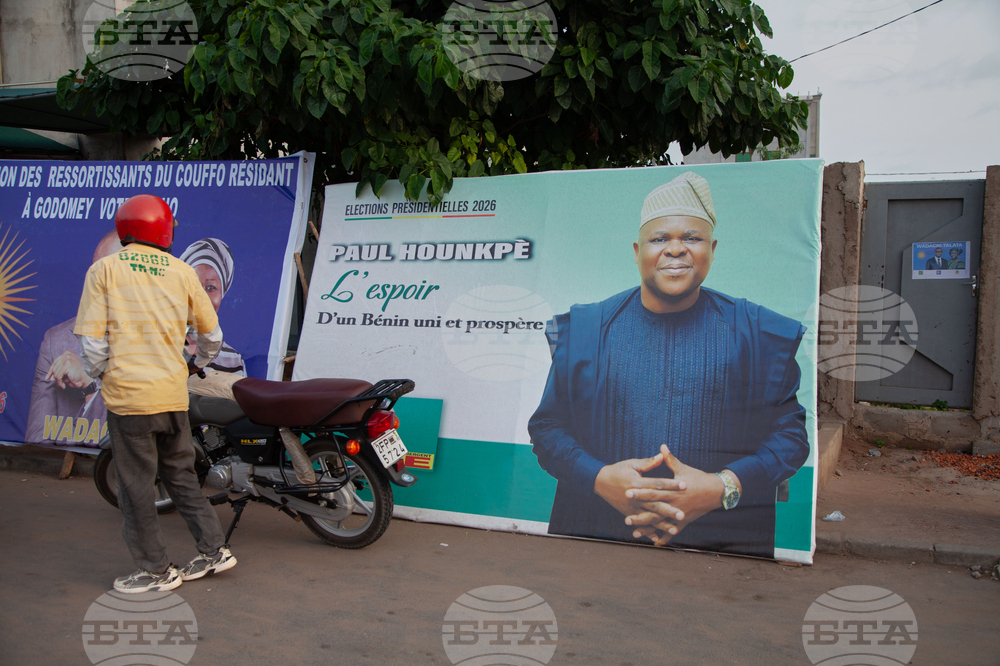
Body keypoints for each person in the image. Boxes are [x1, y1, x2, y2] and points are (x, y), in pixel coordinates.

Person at [528, 172, 810, 557]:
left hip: (721, 550)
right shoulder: (587, 329)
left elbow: (790, 438)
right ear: (636, 249)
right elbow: (547, 428)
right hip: (593, 540)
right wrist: (598, 478)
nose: (675, 249)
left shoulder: (755, 332)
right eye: (659, 239)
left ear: (712, 248)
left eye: (691, 238)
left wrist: (723, 486)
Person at [74, 194, 237, 593]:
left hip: (130, 400)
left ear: (126, 228)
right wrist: (194, 366)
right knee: (181, 475)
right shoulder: (182, 272)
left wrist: (105, 376)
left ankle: (155, 570)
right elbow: (211, 335)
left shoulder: (104, 270)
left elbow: (93, 345)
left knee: (136, 488)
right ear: (164, 231)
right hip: (173, 396)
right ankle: (215, 549)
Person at [25, 231, 121, 447]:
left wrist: (91, 386)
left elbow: (140, 433)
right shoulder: (56, 341)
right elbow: (38, 441)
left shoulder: (155, 340)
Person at [180, 238, 246, 376]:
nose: (201, 297)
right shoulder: (162, 344)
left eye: (210, 288)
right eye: (195, 286)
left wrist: (197, 365)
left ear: (223, 292)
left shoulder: (232, 360)